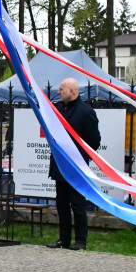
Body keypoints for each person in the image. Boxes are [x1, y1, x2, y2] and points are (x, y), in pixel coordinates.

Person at [46, 77, 100, 251]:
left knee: (77, 203)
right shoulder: (58, 109)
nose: (58, 92)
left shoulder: (86, 112)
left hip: (76, 166)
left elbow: (94, 141)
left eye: (61, 89)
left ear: (72, 91)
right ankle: (64, 239)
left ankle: (81, 240)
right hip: (60, 165)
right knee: (61, 203)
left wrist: (80, 157)